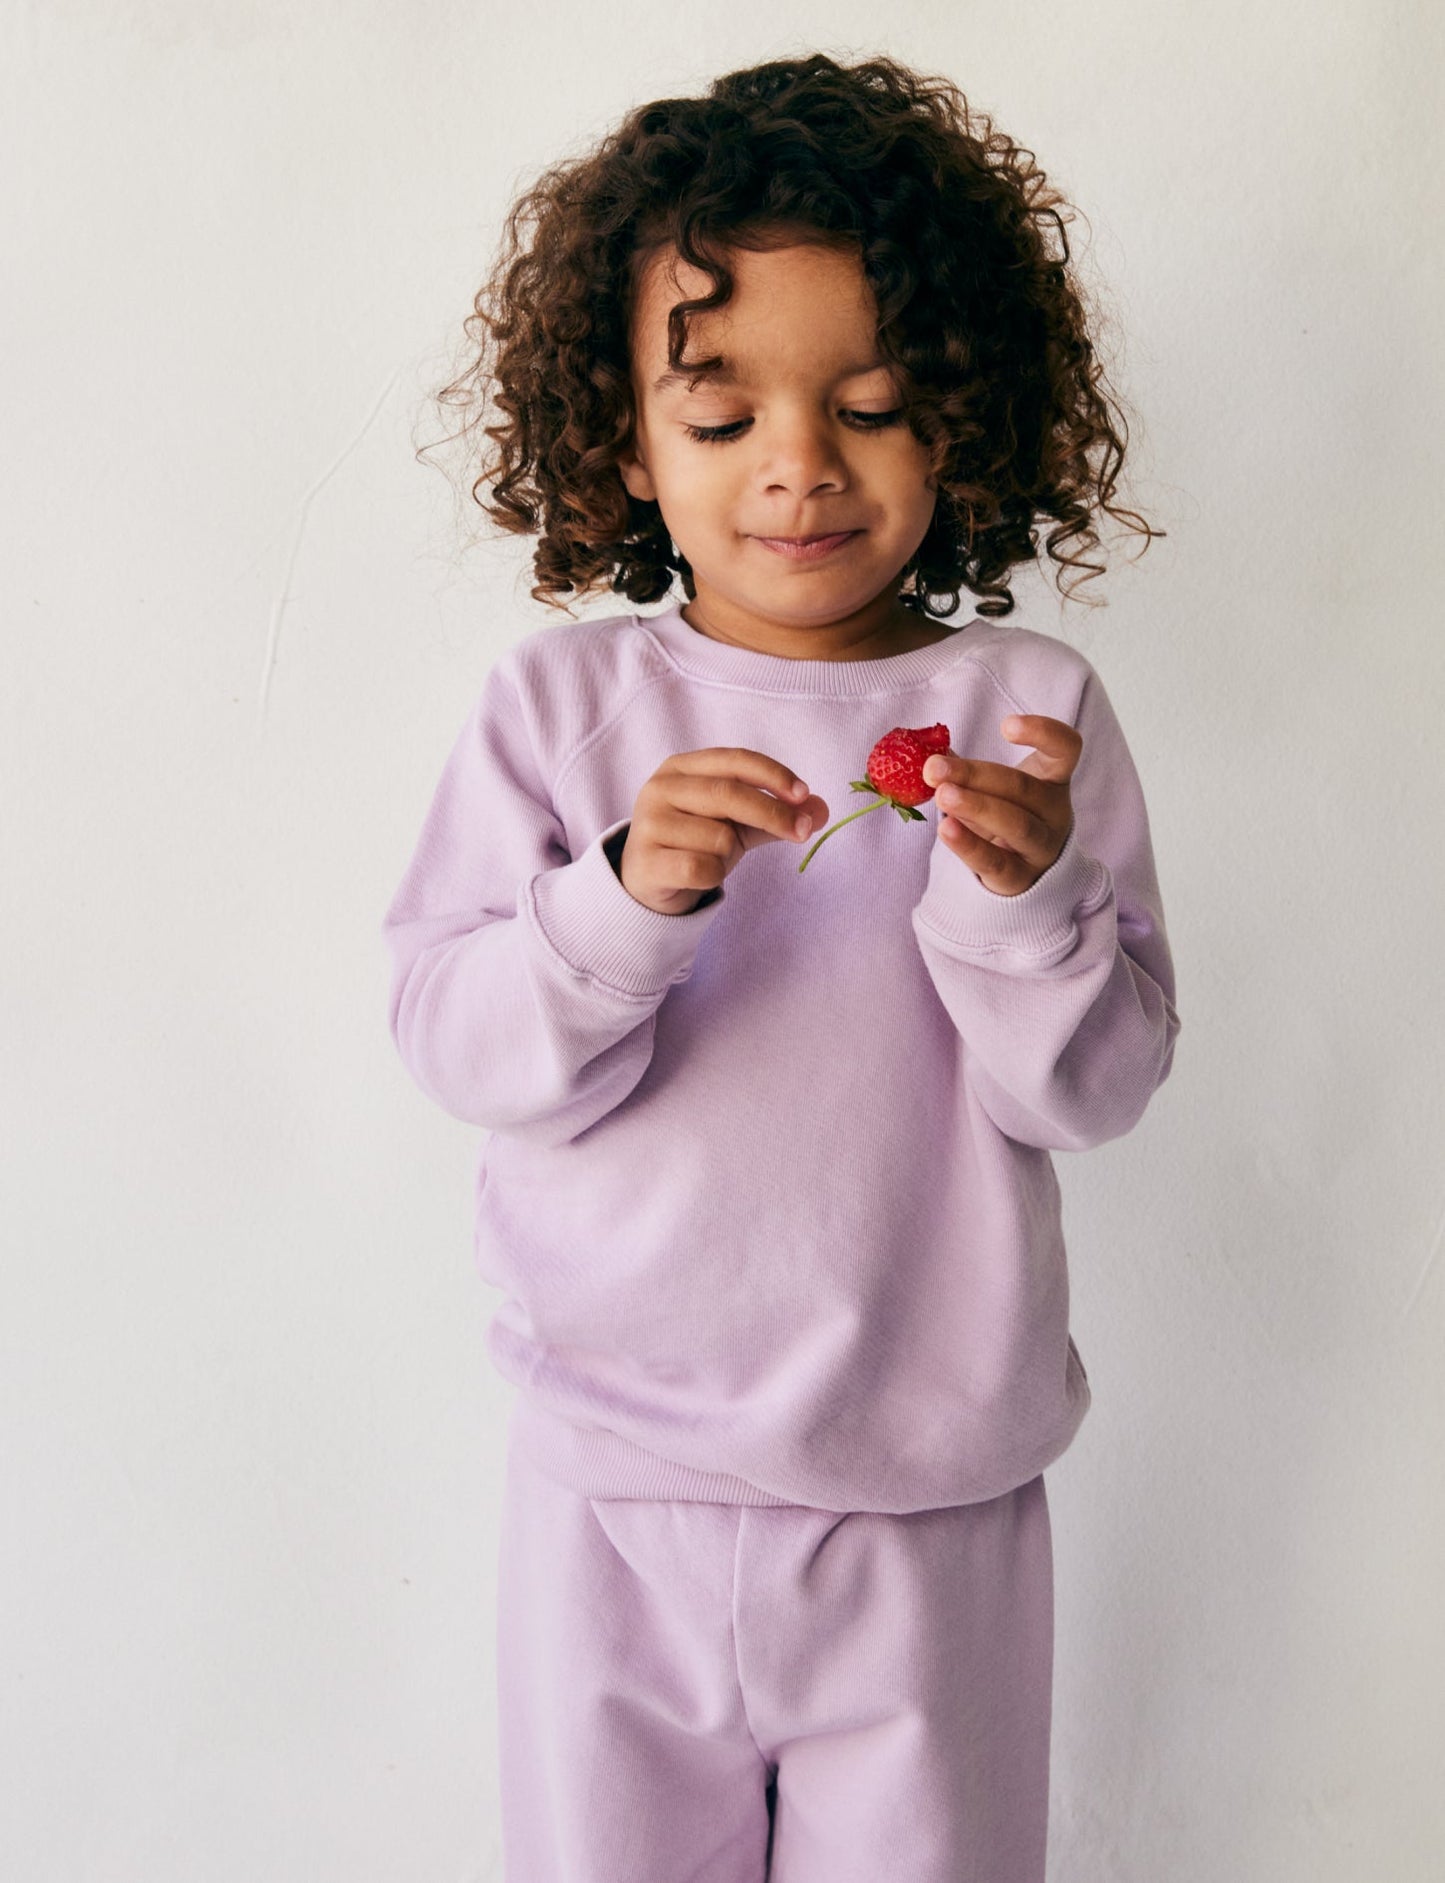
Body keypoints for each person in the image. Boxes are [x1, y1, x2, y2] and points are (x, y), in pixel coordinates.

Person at [382, 50, 1181, 1883]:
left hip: (931, 1508)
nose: (799, 468)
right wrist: (617, 906)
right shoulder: (561, 709)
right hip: (613, 1495)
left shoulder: (1026, 719)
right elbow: (460, 1041)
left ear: (963, 416)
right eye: (722, 417)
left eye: (877, 405)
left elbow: (1093, 1087)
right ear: (621, 433)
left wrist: (1012, 903)